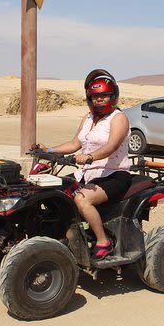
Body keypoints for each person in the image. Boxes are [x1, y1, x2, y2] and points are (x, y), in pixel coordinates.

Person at [35, 69, 131, 259]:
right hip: (87, 173)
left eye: (105, 96)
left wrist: (90, 157)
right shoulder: (88, 118)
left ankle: (104, 242)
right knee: (54, 191)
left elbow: (112, 146)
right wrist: (48, 151)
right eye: (96, 97)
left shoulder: (119, 118)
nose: (100, 100)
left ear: (113, 96)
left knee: (81, 199)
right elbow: (74, 144)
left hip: (114, 174)